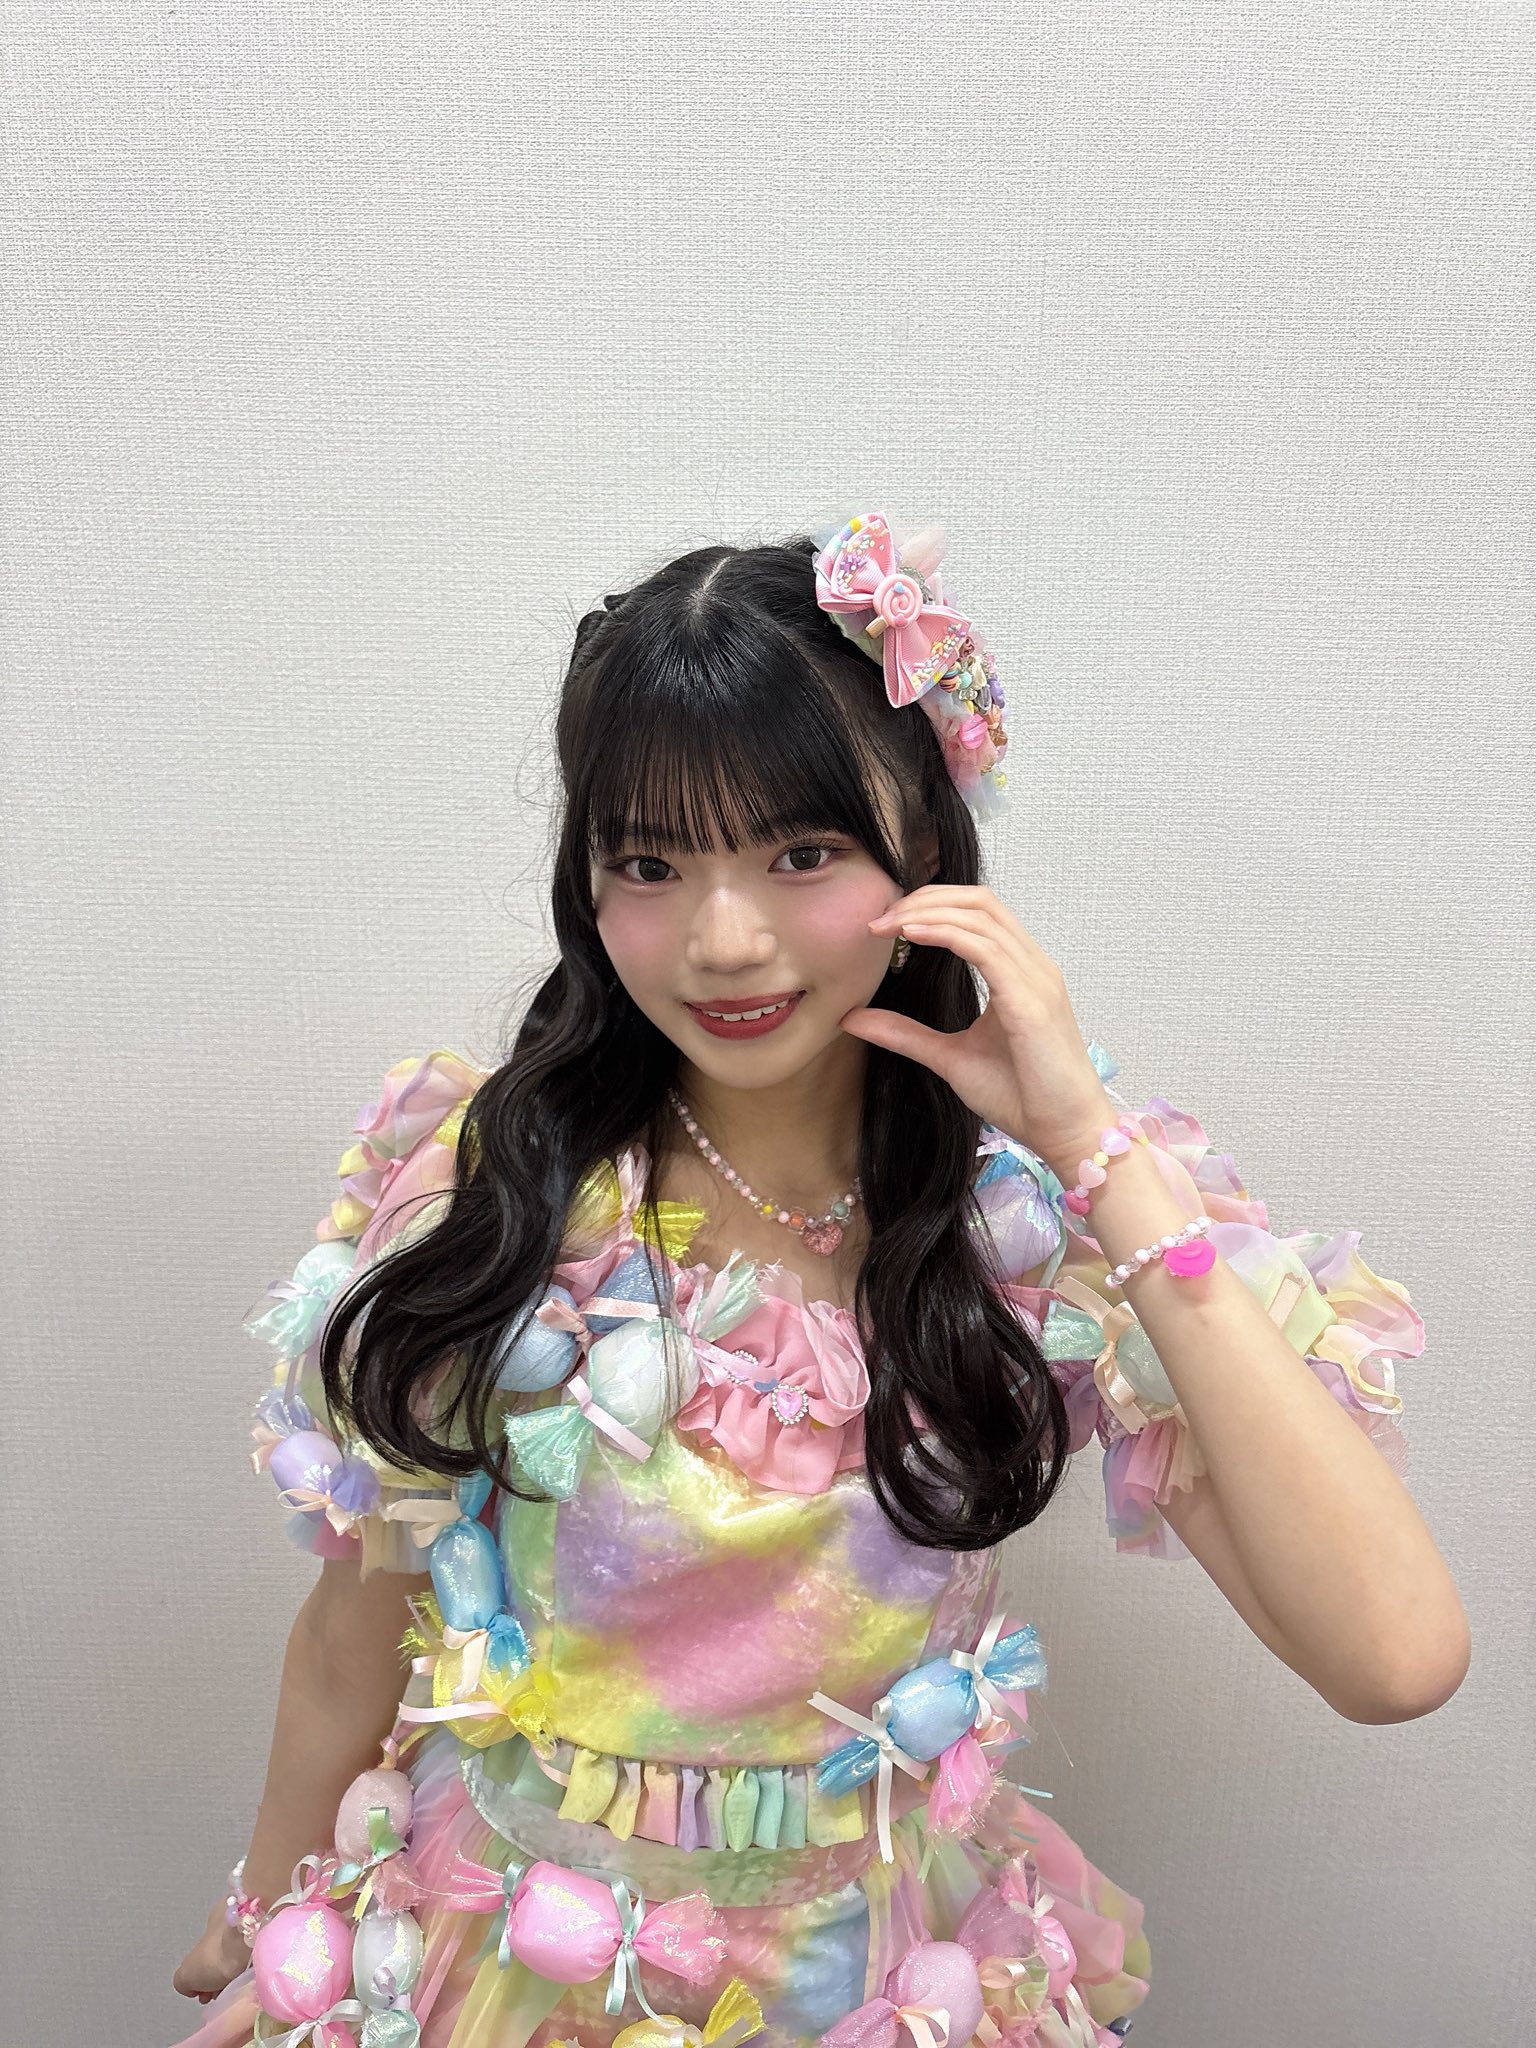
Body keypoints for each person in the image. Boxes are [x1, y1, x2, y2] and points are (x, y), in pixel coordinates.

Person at [169, 511, 1467, 2048]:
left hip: (880, 1983)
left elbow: (1395, 1656)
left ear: (926, 851)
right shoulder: (496, 1182)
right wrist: (263, 1916)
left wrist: (1090, 1151)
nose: (725, 940)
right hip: (510, 1964)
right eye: (651, 863)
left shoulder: (1039, 1217)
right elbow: (356, 1625)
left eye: (801, 854)